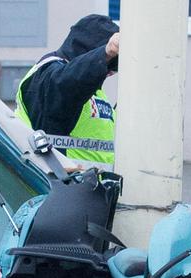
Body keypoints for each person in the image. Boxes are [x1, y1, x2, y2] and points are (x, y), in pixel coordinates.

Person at [14, 14, 120, 167]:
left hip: (86, 187)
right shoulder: (48, 75)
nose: (110, 73)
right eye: (110, 66)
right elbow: (66, 83)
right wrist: (105, 53)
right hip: (61, 183)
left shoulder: (93, 89)